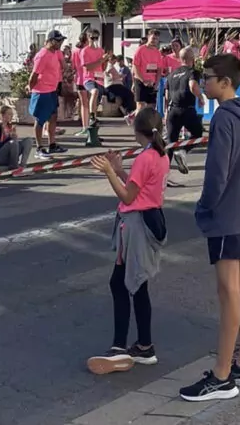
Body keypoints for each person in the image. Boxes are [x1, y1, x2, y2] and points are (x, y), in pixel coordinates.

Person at [180, 54, 240, 402]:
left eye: (209, 78)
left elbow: (217, 174)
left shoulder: (224, 118)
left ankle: (222, 375)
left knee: (229, 294)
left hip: (226, 215)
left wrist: (205, 206)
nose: (204, 83)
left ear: (226, 82)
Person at [86, 107, 169, 375]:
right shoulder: (160, 154)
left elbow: (128, 196)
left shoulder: (145, 158)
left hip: (137, 224)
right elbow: (138, 186)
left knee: (126, 283)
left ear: (137, 131)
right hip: (150, 218)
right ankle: (142, 345)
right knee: (134, 282)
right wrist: (120, 170)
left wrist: (109, 172)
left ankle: (121, 346)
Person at [165, 47, 205, 175]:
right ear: (192, 59)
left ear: (180, 59)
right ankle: (183, 151)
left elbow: (167, 96)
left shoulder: (171, 75)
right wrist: (200, 97)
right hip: (187, 109)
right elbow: (193, 85)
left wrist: (166, 112)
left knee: (170, 143)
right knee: (198, 134)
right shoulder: (192, 72)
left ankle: (162, 176)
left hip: (172, 110)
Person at [28, 31, 68, 159]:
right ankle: (39, 148)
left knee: (53, 117)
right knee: (40, 119)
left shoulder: (55, 53)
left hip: (52, 90)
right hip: (41, 91)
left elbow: (62, 66)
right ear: (51, 41)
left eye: (61, 40)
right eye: (58, 41)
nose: (60, 43)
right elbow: (34, 75)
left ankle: (52, 144)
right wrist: (30, 88)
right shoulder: (42, 55)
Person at [79, 30, 106, 133]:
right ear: (88, 38)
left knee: (95, 103)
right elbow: (88, 67)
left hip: (100, 79)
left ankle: (93, 131)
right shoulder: (85, 51)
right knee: (94, 91)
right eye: (92, 38)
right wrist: (101, 61)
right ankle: (91, 116)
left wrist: (105, 60)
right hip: (89, 78)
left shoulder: (100, 50)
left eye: (96, 38)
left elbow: (103, 68)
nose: (95, 40)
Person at [131, 29, 163, 114]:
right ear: (148, 37)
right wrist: (143, 80)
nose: (154, 41)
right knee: (141, 106)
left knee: (151, 107)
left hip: (152, 83)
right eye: (153, 38)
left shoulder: (158, 53)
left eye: (156, 39)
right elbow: (135, 67)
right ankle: (137, 121)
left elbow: (159, 69)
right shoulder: (140, 50)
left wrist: (157, 83)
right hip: (141, 81)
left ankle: (144, 122)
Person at [103, 54, 136, 120]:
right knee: (130, 94)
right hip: (113, 85)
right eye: (115, 61)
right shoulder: (109, 66)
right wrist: (120, 76)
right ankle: (128, 110)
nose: (115, 63)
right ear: (111, 60)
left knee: (127, 94)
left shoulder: (109, 66)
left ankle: (125, 108)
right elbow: (112, 76)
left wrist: (119, 76)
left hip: (115, 85)